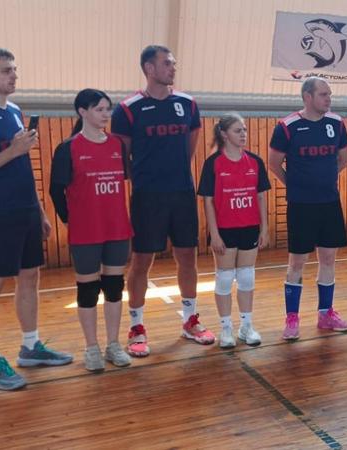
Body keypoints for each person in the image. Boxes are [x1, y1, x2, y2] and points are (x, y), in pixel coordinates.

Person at [0, 47, 72, 390]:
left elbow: (21, 165)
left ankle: (31, 346)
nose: (14, 75)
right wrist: (12, 151)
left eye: (14, 69)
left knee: (30, 277)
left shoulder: (15, 111)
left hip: (25, 211)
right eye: (6, 70)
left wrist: (39, 210)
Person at [111, 45, 209, 356]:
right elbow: (123, 156)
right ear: (149, 69)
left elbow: (190, 147)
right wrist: (147, 178)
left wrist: (174, 173)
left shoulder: (187, 104)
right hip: (147, 196)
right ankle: (137, 327)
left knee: (188, 257)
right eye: (167, 63)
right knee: (141, 261)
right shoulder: (127, 109)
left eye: (173, 63)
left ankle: (190, 320)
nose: (173, 68)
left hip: (181, 193)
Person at [49, 89, 133, 371]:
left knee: (114, 287)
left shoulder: (117, 145)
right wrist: (69, 219)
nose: (106, 114)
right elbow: (55, 190)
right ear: (82, 112)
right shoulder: (68, 148)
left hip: (117, 228)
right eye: (99, 109)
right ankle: (92, 347)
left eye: (108, 109)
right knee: (87, 290)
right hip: (86, 231)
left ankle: (113, 344)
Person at [269, 76, 347, 340]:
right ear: (307, 97)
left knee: (328, 259)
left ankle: (325, 314)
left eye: (329, 94)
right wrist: (295, 185)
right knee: (297, 262)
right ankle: (292, 318)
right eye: (323, 94)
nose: (329, 99)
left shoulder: (336, 123)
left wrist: (324, 180)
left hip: (329, 202)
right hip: (301, 205)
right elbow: (274, 163)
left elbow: (344, 159)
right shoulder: (287, 126)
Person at [197, 114, 270, 348]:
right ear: (224, 134)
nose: (243, 134)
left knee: (247, 277)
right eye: (238, 130)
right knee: (225, 278)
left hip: (249, 227)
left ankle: (246, 326)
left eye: (245, 130)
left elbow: (261, 197)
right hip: (225, 230)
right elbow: (208, 201)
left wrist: (264, 228)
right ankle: (226, 328)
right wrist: (215, 234)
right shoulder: (213, 163)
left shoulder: (255, 162)